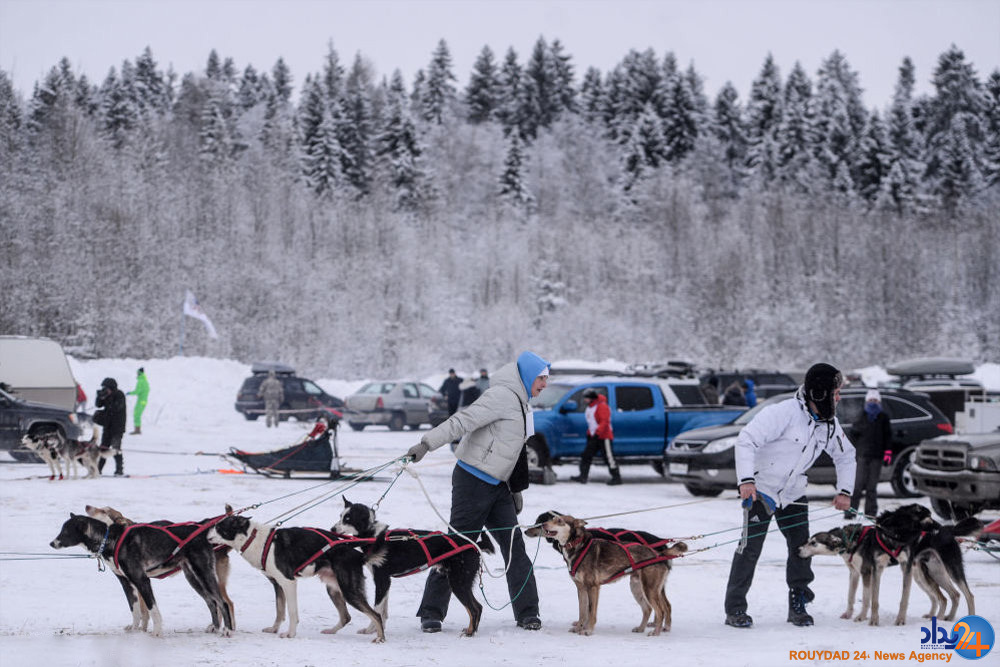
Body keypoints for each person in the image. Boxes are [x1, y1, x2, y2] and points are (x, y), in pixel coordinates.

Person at [405, 351, 549, 634]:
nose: (545, 384)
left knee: (514, 548)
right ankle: (431, 613)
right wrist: (426, 444)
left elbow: (516, 449)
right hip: (472, 482)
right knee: (455, 547)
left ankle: (528, 612)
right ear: (529, 376)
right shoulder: (501, 396)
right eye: (542, 378)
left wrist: (515, 488)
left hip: (498, 487)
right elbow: (462, 421)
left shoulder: (522, 404)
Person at [723, 362, 856, 629]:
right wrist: (746, 481)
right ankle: (735, 608)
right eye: (836, 392)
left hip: (794, 493)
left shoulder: (828, 425)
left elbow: (846, 455)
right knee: (749, 549)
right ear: (820, 393)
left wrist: (845, 490)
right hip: (762, 491)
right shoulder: (782, 413)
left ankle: (798, 604)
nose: (839, 398)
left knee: (801, 549)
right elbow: (746, 440)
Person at [848, 389, 892, 519]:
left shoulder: (883, 417)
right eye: (871, 400)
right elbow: (853, 434)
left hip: (877, 457)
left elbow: (888, 437)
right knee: (857, 485)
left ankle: (871, 512)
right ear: (867, 401)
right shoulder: (861, 416)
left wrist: (888, 452)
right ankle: (851, 510)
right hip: (862, 455)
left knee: (872, 487)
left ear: (879, 402)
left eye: (875, 400)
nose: (873, 403)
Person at [571, 388, 620, 485]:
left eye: (587, 398)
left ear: (592, 398)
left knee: (608, 457)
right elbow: (592, 422)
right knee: (586, 455)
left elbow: (604, 422)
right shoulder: (590, 407)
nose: (585, 400)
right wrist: (590, 433)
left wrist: (597, 433)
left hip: (603, 436)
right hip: (594, 436)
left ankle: (616, 477)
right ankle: (583, 476)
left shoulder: (602, 406)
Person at [94, 377, 127, 476]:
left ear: (112, 388)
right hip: (107, 426)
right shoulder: (107, 396)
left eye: (106, 388)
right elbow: (98, 405)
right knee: (103, 448)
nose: (105, 390)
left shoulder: (119, 395)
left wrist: (108, 397)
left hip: (117, 427)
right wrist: (100, 397)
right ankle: (98, 469)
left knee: (116, 448)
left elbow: (116, 407)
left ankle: (119, 470)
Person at [127, 367, 150, 435]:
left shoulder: (140, 381)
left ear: (139, 373)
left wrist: (129, 393)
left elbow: (137, 391)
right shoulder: (145, 381)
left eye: (137, 373)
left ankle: (137, 430)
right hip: (144, 400)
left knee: (136, 415)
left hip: (141, 401)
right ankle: (137, 429)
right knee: (138, 415)